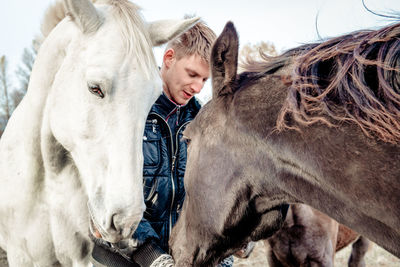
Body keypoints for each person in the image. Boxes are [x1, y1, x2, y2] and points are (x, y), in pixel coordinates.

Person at [90, 19, 234, 267]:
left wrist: (223, 243)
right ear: (169, 58)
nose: (198, 87)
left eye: (204, 80)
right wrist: (152, 256)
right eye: (192, 74)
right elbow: (104, 193)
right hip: (121, 257)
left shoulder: (199, 124)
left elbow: (205, 195)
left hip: (176, 257)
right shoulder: (125, 110)